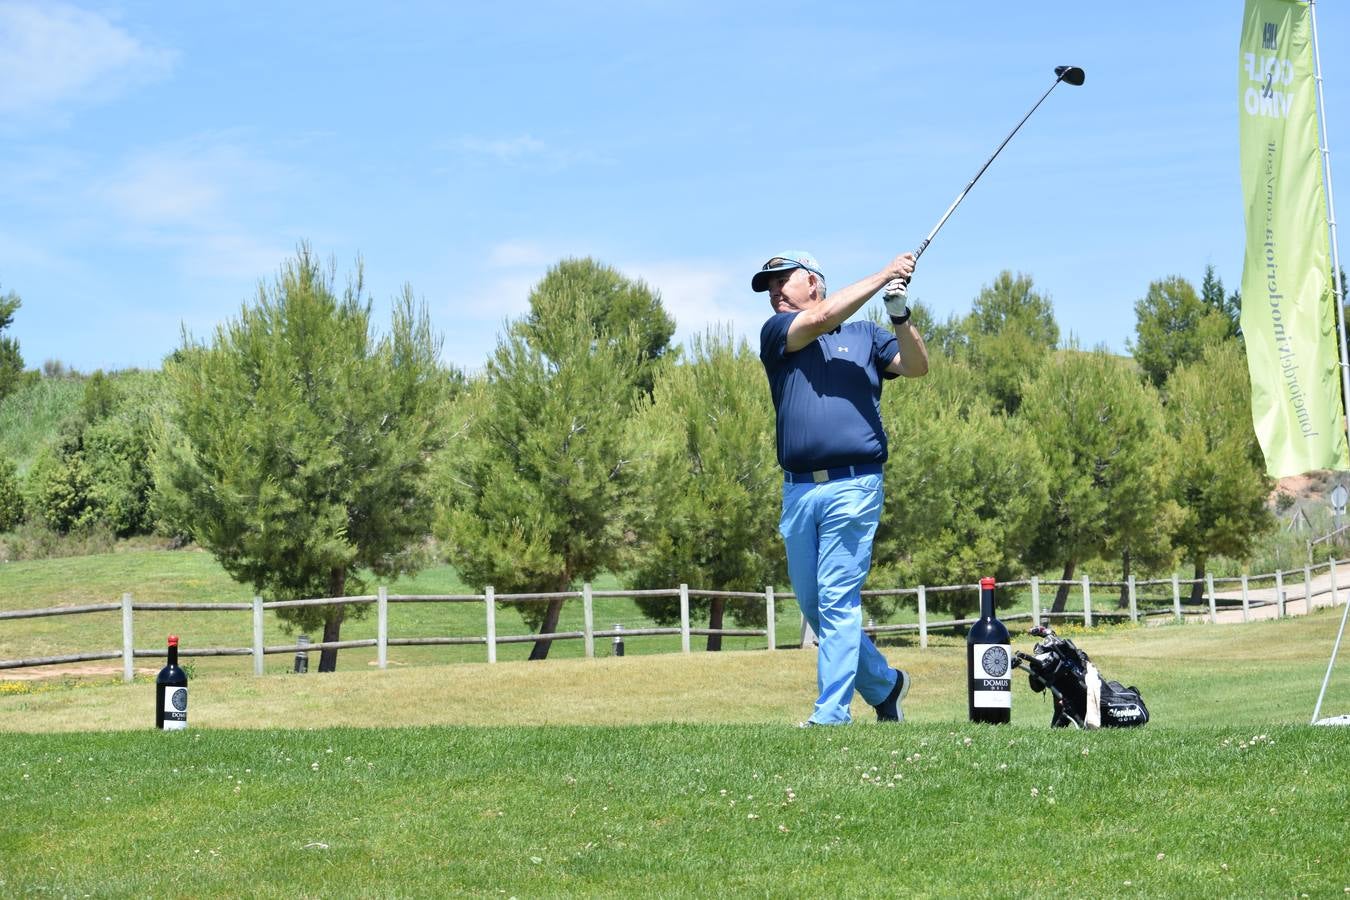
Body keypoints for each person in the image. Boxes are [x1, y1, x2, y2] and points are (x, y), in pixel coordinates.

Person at [754, 250, 929, 726]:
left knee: (835, 600)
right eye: (768, 286)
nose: (773, 292)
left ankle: (831, 715)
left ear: (813, 281)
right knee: (815, 605)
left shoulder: (866, 335)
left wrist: (899, 314)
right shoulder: (778, 333)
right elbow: (826, 316)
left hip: (855, 485)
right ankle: (885, 685)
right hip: (798, 492)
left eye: (781, 281)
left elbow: (915, 365)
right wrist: (886, 273)